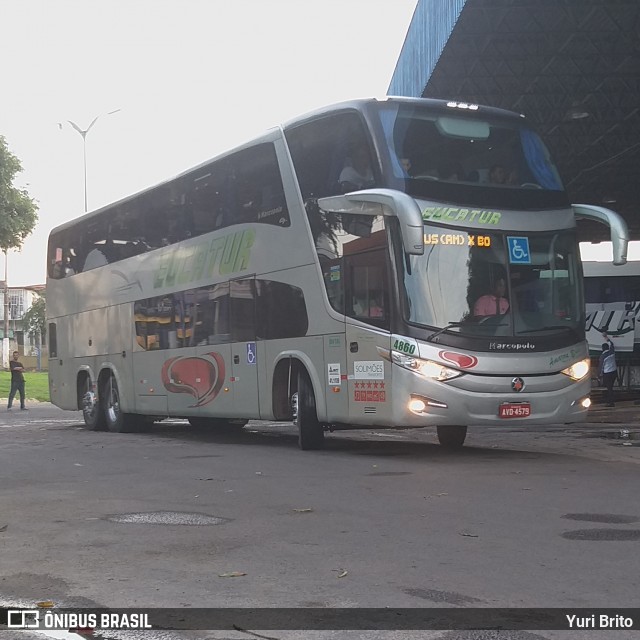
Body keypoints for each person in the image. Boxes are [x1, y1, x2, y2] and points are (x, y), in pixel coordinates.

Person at [598, 332, 617, 407]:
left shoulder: (602, 357)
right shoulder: (612, 351)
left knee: (609, 388)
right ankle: (609, 400)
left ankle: (611, 402)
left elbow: (600, 367)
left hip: (607, 373)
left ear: (602, 349)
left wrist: (599, 375)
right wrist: (606, 337)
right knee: (610, 387)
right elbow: (611, 343)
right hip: (614, 372)